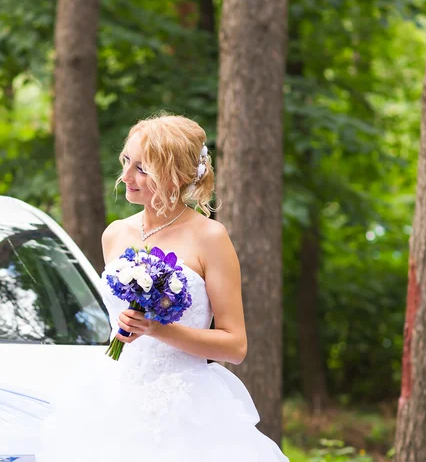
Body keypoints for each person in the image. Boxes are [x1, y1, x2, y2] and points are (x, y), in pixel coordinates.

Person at [37, 114, 289, 461]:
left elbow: (235, 346)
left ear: (179, 176)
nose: (126, 176)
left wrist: (156, 329)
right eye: (126, 161)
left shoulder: (210, 237)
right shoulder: (114, 235)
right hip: (115, 398)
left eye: (142, 168)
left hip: (185, 406)